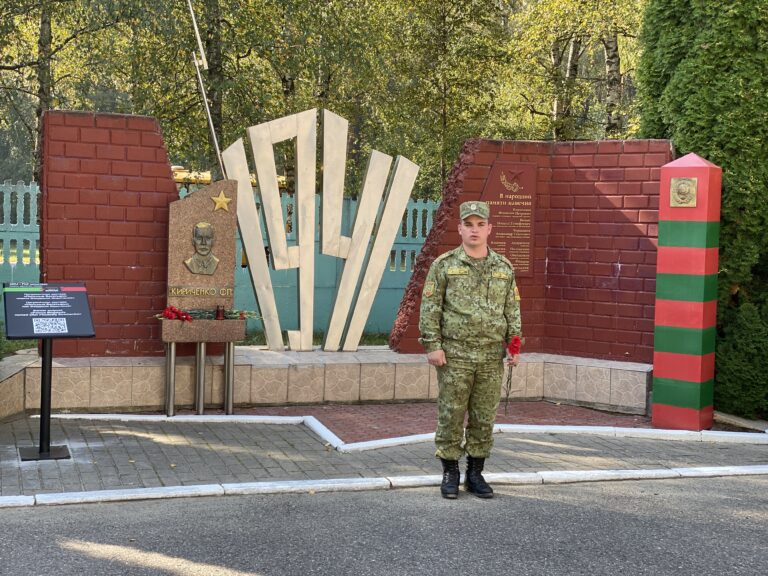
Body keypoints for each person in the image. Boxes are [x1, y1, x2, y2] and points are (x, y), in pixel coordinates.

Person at [419, 200, 522, 499]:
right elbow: (430, 307)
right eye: (469, 224)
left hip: (491, 355)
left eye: (480, 225)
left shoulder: (503, 267)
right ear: (460, 228)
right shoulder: (445, 265)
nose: (474, 230)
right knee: (451, 413)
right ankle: (450, 472)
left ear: (489, 228)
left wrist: (513, 345)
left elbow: (512, 309)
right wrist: (432, 345)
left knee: (483, 416)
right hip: (455, 354)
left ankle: (475, 473)